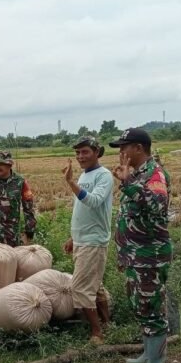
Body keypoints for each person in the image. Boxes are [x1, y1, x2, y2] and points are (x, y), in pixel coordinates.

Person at [109, 128, 173, 363]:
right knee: (140, 305)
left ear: (138, 148)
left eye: (124, 147)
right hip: (135, 254)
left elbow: (156, 205)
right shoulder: (137, 174)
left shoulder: (154, 174)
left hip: (150, 255)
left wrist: (128, 183)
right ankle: (148, 354)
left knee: (150, 307)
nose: (121, 152)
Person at [61, 136, 113, 343]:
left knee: (81, 288)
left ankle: (96, 333)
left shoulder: (104, 176)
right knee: (95, 285)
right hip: (83, 239)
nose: (80, 156)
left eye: (85, 152)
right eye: (78, 153)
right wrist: (74, 237)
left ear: (97, 152)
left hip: (94, 240)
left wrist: (71, 182)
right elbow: (81, 210)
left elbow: (93, 202)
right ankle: (107, 325)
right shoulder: (84, 176)